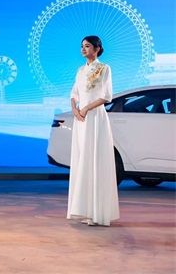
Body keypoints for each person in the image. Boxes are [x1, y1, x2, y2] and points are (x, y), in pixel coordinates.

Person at [66, 35, 120, 226]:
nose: (83, 49)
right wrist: (75, 109)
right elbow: (74, 93)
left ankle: (97, 213)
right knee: (82, 160)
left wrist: (86, 108)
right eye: (82, 46)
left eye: (87, 46)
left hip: (95, 117)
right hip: (81, 119)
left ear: (97, 49)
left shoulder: (104, 68)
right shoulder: (80, 70)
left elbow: (107, 96)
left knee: (95, 159)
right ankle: (84, 210)